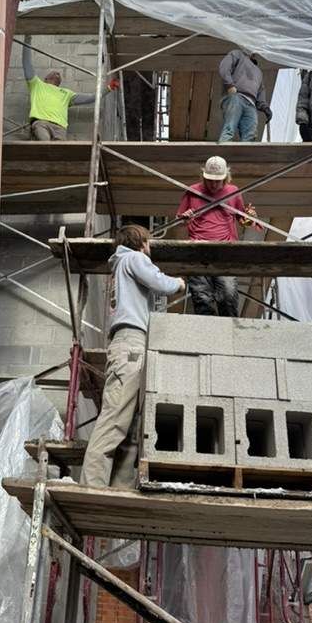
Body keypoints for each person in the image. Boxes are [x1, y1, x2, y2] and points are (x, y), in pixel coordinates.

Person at [80, 224, 185, 489]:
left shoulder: (121, 266)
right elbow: (161, 283)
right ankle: (92, 487)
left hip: (132, 344)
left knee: (131, 423)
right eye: (148, 242)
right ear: (141, 241)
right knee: (114, 420)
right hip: (130, 344)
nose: (150, 248)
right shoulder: (134, 258)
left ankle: (119, 488)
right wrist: (180, 283)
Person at [176, 155, 260, 317]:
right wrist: (184, 218)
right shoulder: (192, 191)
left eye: (218, 181)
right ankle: (210, 337)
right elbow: (179, 221)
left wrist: (250, 218)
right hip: (197, 249)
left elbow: (242, 219)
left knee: (228, 294)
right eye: (210, 180)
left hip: (225, 250)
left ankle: (229, 335)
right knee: (202, 298)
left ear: (226, 177)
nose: (214, 184)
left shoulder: (233, 192)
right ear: (203, 177)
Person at [22, 36, 116, 141]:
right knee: (45, 144)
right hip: (41, 123)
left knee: (58, 153)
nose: (57, 73)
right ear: (46, 78)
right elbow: (27, 64)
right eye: (53, 72)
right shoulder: (37, 85)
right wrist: (27, 39)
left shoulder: (66, 93)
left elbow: (91, 98)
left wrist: (108, 88)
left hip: (60, 128)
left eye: (59, 74)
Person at [217, 49, 273, 142]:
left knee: (250, 136)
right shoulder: (237, 54)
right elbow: (224, 67)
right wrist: (230, 84)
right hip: (236, 97)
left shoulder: (259, 72)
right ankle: (222, 154)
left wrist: (265, 107)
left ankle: (245, 156)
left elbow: (261, 91)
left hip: (251, 104)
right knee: (229, 128)